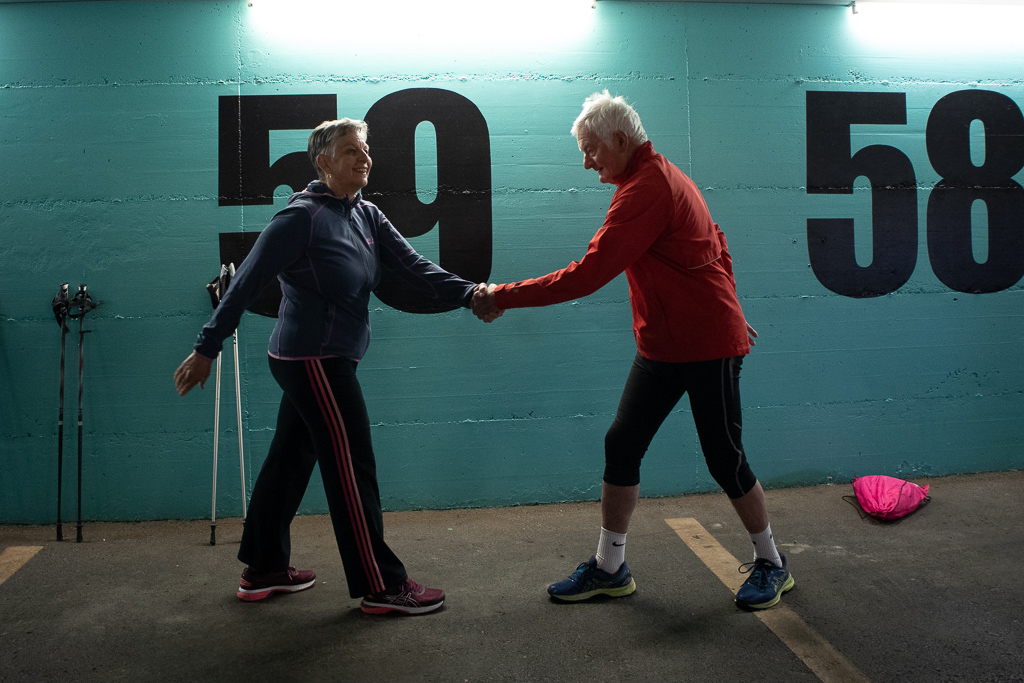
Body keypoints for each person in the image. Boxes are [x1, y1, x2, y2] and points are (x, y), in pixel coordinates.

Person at [472, 91, 794, 610]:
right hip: (664, 344)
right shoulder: (659, 175)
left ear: (620, 140)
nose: (586, 162)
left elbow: (587, 275)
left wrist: (503, 297)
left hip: (706, 344)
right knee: (622, 444)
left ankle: (773, 563)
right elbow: (717, 241)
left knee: (723, 457)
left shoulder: (649, 187)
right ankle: (610, 566)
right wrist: (731, 305)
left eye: (591, 150)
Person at [174, 118, 488, 616]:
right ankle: (382, 586)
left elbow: (414, 266)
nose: (363, 158)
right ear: (322, 162)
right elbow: (247, 282)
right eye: (349, 151)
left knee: (290, 460)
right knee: (350, 465)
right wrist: (206, 347)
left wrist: (470, 293)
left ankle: (264, 568)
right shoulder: (300, 218)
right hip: (313, 361)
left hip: (320, 360)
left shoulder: (365, 214)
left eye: (364, 149)